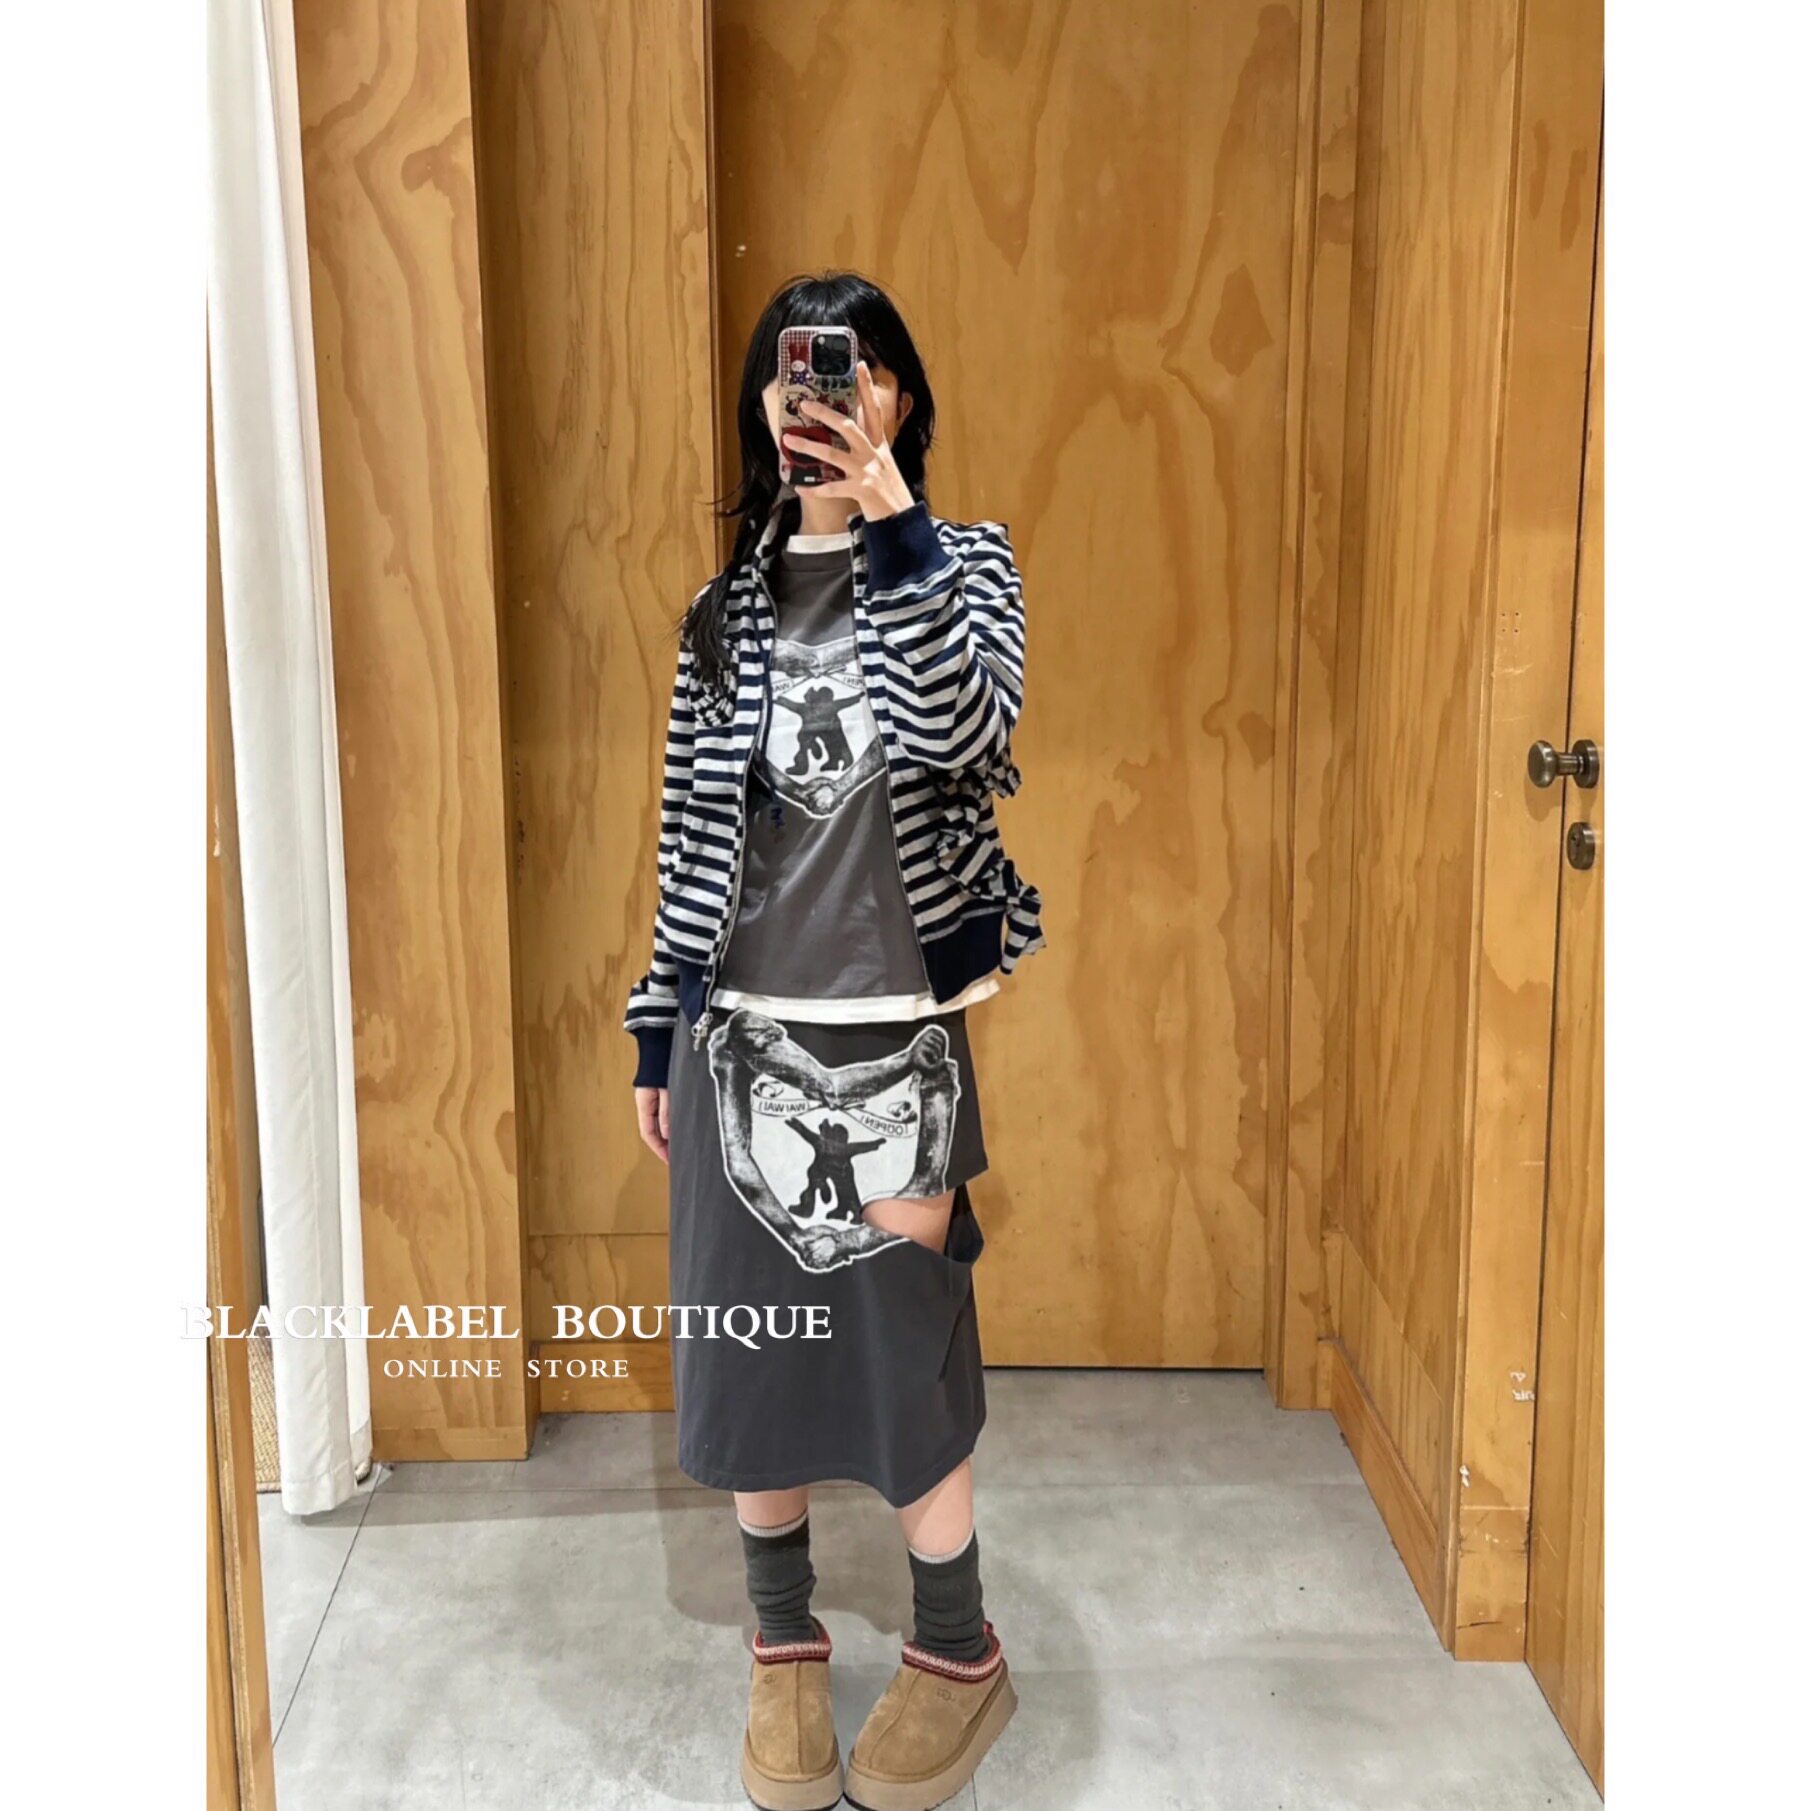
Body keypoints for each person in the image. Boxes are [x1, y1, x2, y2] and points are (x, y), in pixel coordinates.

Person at [625, 270, 1045, 1811]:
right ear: (763, 407)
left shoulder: (964, 565)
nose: (822, 398)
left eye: (853, 372)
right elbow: (689, 841)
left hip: (895, 1049)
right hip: (738, 1037)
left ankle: (959, 1654)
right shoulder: (722, 613)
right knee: (756, 1358)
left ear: (900, 399)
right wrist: (657, 1029)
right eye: (797, 375)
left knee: (901, 1360)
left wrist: (894, 527)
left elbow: (964, 731)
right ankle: (782, 1644)